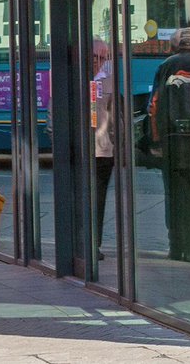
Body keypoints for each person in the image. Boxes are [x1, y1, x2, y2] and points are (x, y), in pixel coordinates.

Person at [147, 27, 190, 262]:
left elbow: (153, 106)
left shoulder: (166, 65)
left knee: (175, 196)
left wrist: (155, 141)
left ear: (175, 45)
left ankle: (178, 247)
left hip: (174, 144)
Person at [90, 39, 114, 261]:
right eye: (95, 57)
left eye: (103, 57)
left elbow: (116, 115)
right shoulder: (75, 78)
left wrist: (116, 145)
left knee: (98, 201)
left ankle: (94, 245)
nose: (99, 62)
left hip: (103, 153)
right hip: (81, 152)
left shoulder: (108, 81)